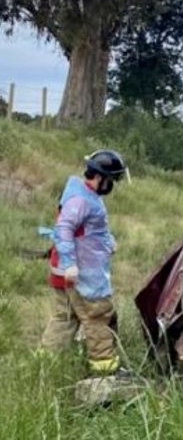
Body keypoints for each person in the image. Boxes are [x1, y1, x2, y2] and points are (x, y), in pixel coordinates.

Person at [40, 150, 128, 375]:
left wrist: (108, 243)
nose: (112, 185)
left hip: (67, 272)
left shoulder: (83, 195)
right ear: (100, 178)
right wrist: (70, 263)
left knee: (64, 318)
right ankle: (105, 370)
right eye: (111, 180)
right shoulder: (81, 200)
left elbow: (90, 231)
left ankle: (44, 366)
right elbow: (64, 229)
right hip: (81, 275)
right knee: (97, 315)